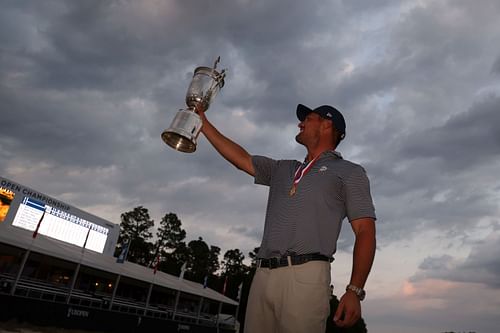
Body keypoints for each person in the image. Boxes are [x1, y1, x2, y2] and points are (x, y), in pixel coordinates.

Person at [197, 104, 376, 333]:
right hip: (262, 276)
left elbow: (365, 231)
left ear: (327, 124)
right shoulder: (283, 168)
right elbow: (241, 159)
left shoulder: (350, 172)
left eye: (307, 118)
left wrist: (355, 290)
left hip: (306, 276)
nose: (300, 123)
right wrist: (203, 123)